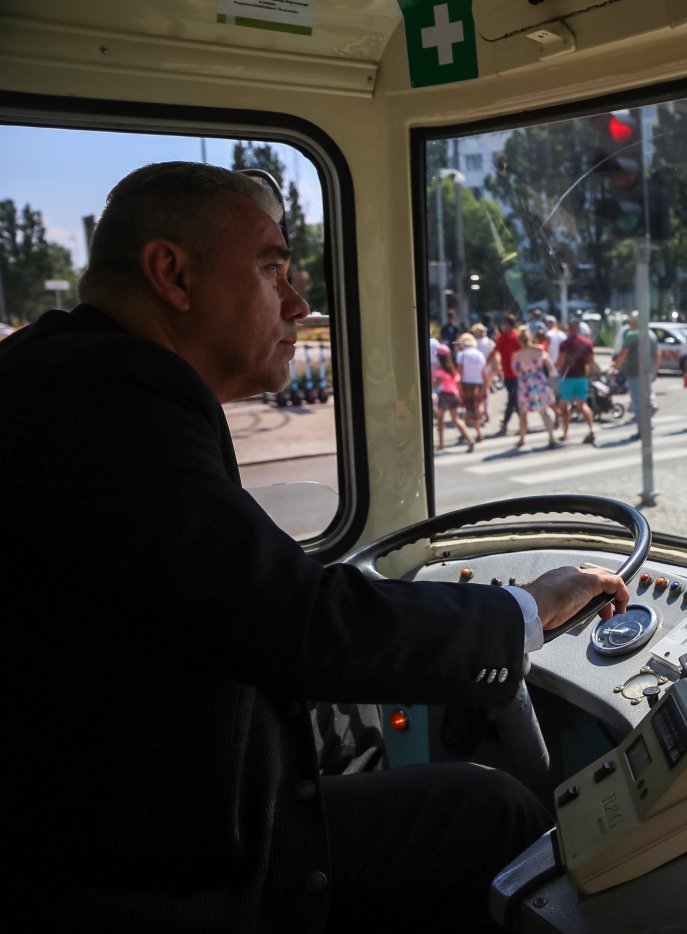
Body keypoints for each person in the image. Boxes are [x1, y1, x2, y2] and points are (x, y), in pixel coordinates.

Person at [0, 162, 630, 932]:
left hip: (116, 822)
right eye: (271, 269)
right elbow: (286, 616)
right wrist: (522, 611)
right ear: (172, 273)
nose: (298, 302)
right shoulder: (112, 396)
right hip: (149, 876)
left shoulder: (55, 370)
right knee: (492, 811)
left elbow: (219, 595)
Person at [512, 325, 559, 450]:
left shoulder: (516, 356)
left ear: (519, 340)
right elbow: (550, 367)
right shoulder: (539, 351)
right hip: (539, 383)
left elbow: (516, 372)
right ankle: (551, 437)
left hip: (525, 386)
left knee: (523, 414)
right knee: (544, 412)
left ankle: (522, 439)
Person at [613, 316, 660, 438]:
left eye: (630, 321)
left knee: (638, 401)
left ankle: (642, 431)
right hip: (648, 371)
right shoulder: (651, 334)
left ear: (634, 323)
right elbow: (657, 354)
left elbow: (623, 353)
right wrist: (655, 371)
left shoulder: (632, 335)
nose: (629, 324)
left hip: (635, 372)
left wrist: (615, 368)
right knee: (646, 398)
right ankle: (647, 425)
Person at [555, 319, 597, 445]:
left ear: (569, 329)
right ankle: (592, 429)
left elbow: (560, 362)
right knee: (582, 405)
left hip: (567, 379)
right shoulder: (587, 343)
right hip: (581, 378)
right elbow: (591, 361)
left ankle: (565, 433)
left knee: (563, 406)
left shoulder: (564, 344)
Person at [432, 345, 474, 451]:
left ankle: (441, 444)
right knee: (456, 419)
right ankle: (469, 439)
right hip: (454, 395)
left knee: (440, 420)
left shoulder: (440, 370)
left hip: (445, 395)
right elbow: (457, 383)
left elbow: (437, 383)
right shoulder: (452, 368)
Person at [455, 332, 488, 444]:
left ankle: (472, 433)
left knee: (470, 409)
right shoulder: (479, 354)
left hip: (466, 384)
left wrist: (458, 388)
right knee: (472, 409)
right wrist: (485, 387)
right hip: (478, 384)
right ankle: (468, 432)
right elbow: (484, 373)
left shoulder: (461, 354)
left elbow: (460, 372)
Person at [495, 311, 522, 434]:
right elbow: (495, 352)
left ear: (510, 325)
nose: (503, 327)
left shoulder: (516, 337)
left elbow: (522, 354)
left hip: (517, 374)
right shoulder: (502, 338)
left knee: (513, 399)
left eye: (505, 324)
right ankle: (522, 422)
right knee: (514, 399)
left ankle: (507, 422)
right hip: (507, 374)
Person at [472, 321, 496, 423]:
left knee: (478, 392)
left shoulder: (474, 343)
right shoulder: (490, 342)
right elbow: (495, 354)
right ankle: (486, 412)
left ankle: (481, 412)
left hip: (477, 370)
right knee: (486, 391)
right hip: (489, 368)